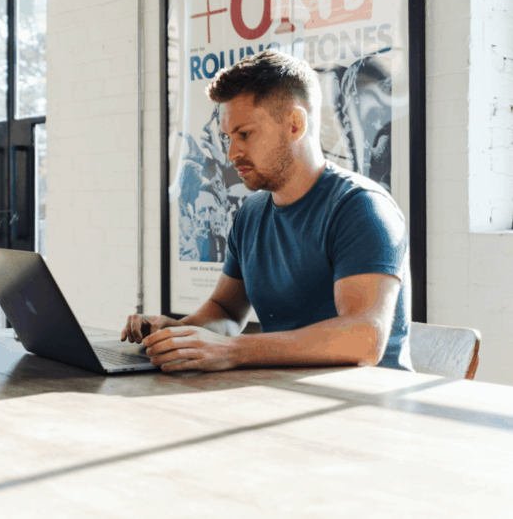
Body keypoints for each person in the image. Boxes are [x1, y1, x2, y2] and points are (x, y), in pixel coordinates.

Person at [122, 51, 412, 373]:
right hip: (281, 396)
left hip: (364, 409)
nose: (232, 153)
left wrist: (233, 350)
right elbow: (226, 313)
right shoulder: (251, 214)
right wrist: (178, 333)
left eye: (244, 134)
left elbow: (363, 339)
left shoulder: (362, 208)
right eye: (228, 137)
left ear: (295, 125)